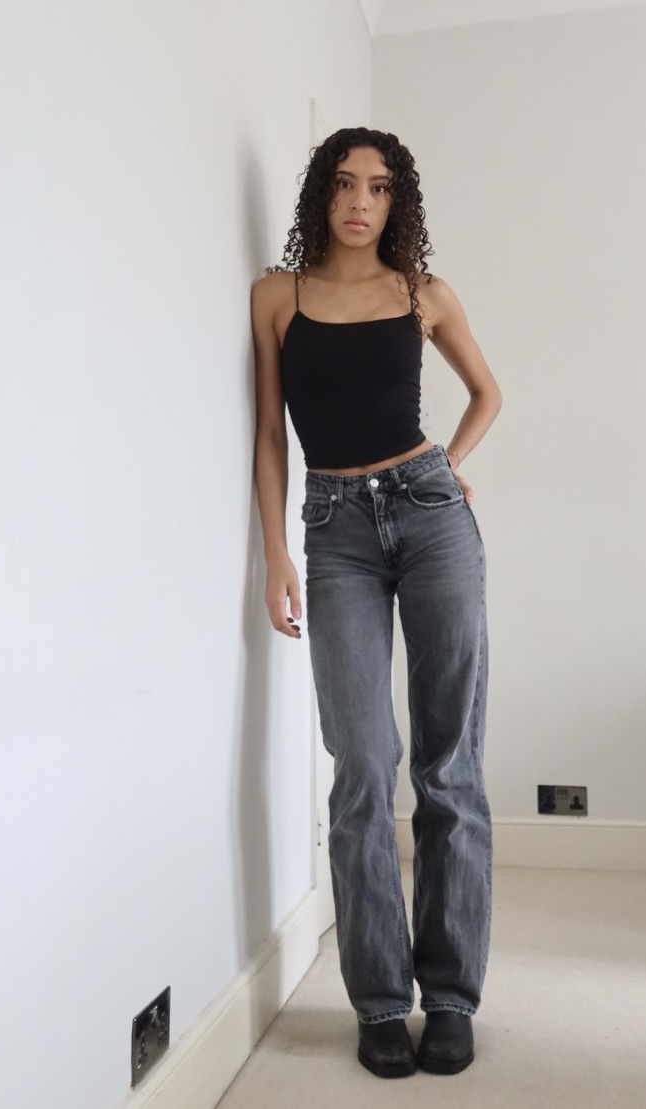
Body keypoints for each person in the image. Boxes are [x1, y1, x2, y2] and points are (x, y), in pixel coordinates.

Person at [250, 127, 501, 1079]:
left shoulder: (421, 293)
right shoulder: (278, 297)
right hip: (334, 530)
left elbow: (487, 394)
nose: (362, 201)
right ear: (322, 192)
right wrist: (277, 552)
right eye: (347, 183)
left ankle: (451, 996)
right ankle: (382, 1001)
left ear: (399, 202)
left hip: (431, 517)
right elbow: (269, 436)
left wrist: (450, 468)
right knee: (361, 764)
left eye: (381, 187)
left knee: (449, 765)